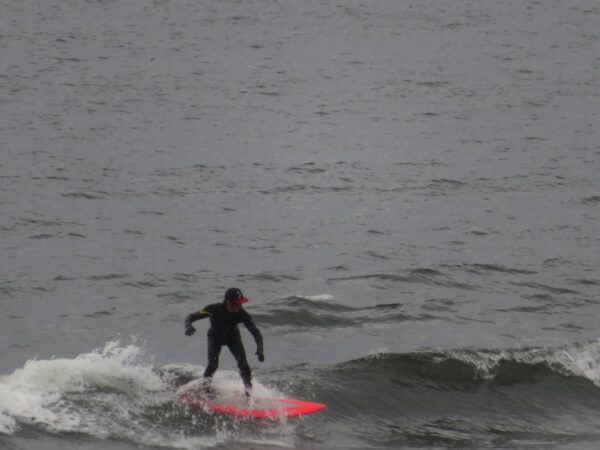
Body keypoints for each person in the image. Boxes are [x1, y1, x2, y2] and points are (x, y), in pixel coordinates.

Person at [184, 287, 264, 395]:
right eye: (237, 303)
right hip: (214, 337)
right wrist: (188, 326)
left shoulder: (242, 314)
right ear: (228, 302)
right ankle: (204, 391)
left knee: (243, 365)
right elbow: (191, 316)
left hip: (232, 337)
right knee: (213, 365)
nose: (239, 306)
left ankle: (249, 395)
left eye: (241, 303)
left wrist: (260, 349)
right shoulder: (213, 309)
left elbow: (256, 332)